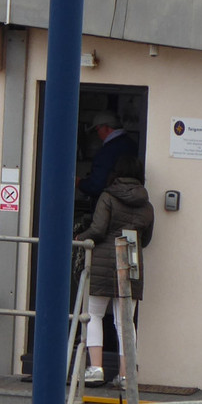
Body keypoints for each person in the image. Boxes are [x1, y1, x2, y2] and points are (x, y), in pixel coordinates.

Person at [80, 155, 154, 390]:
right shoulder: (147, 205)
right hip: (131, 261)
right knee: (125, 322)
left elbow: (98, 229)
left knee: (94, 314)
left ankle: (96, 369)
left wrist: (80, 238)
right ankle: (125, 375)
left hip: (102, 260)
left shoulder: (108, 196)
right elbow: (146, 240)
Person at [76, 110, 139, 208]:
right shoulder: (133, 145)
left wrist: (80, 183)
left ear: (105, 127)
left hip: (109, 208)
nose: (97, 134)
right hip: (132, 202)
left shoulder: (106, 152)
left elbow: (96, 185)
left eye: (97, 130)